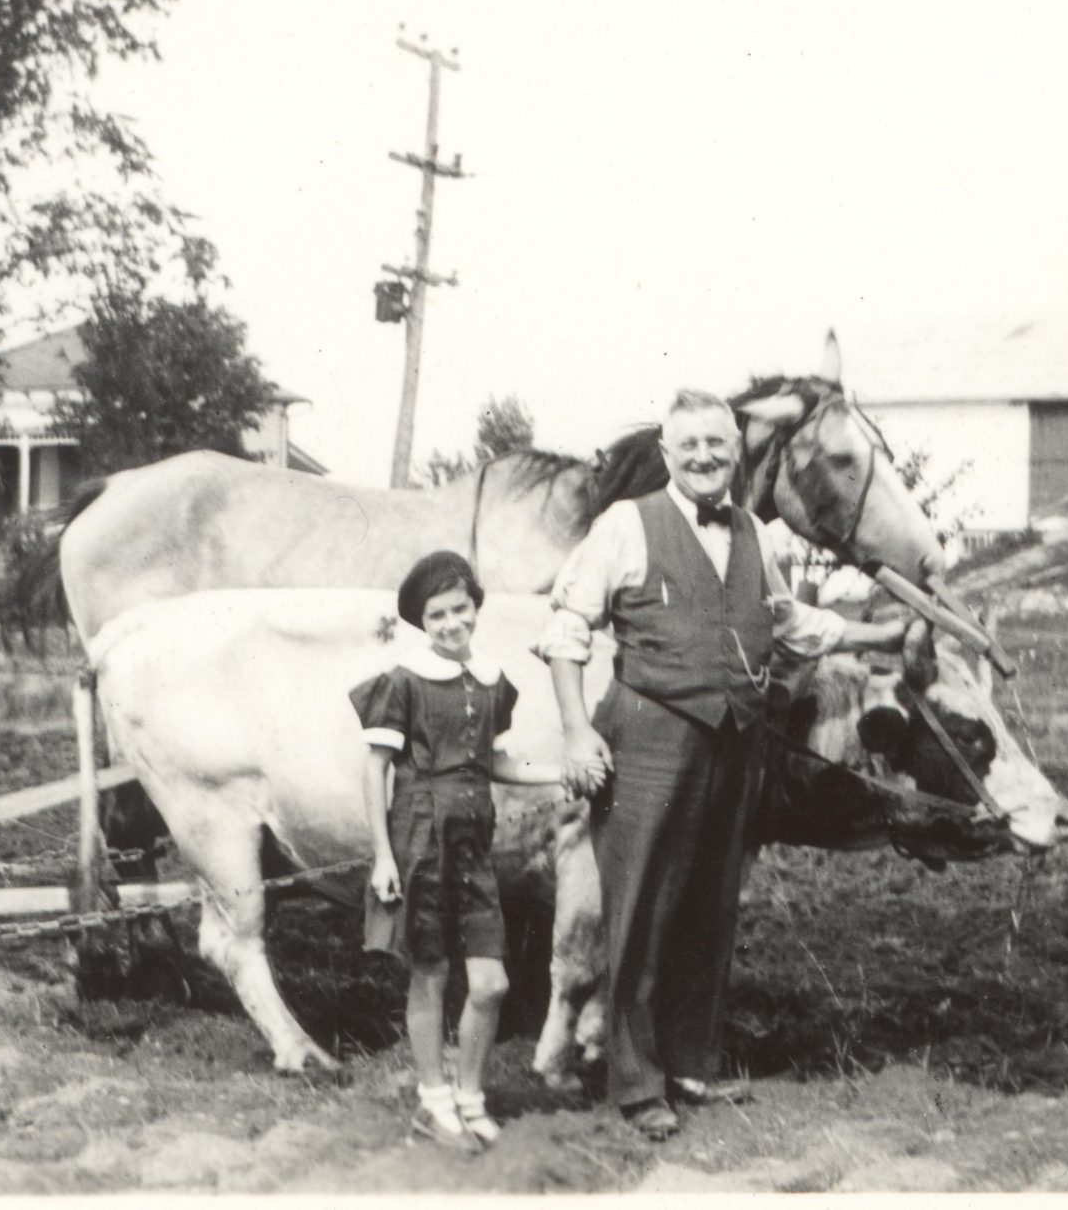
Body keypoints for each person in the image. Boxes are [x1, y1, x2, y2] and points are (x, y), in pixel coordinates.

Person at [540, 389, 907, 1139]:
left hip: (735, 738)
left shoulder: (757, 535)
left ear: (735, 452)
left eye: (718, 442)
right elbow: (567, 625)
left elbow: (790, 623)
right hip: (648, 735)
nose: (706, 455)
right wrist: (578, 731)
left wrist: (877, 633)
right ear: (668, 455)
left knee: (709, 908)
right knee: (639, 909)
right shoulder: (626, 524)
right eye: (690, 445)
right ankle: (636, 1083)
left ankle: (689, 1064)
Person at [356, 550, 563, 1155]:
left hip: (473, 844)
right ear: (423, 620)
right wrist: (383, 856)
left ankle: (470, 1098)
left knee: (491, 982)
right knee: (431, 973)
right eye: (437, 614)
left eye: (460, 609)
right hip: (420, 838)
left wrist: (558, 773)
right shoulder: (403, 681)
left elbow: (495, 761)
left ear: (477, 607)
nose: (451, 623)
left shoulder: (493, 681)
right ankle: (434, 1101)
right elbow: (374, 771)